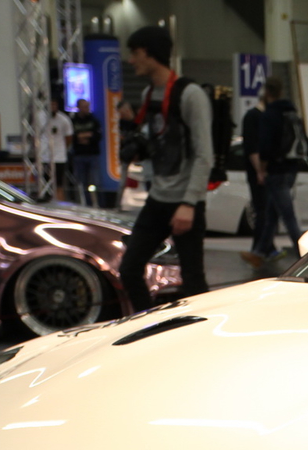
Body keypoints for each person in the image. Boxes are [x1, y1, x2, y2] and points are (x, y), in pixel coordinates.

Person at [118, 24, 213, 312]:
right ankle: (148, 324)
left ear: (149, 53)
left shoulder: (190, 94)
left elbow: (204, 154)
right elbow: (156, 143)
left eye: (135, 53)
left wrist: (189, 203)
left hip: (185, 203)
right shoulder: (150, 93)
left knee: (193, 281)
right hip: (158, 198)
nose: (131, 60)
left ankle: (201, 330)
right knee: (129, 268)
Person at [242, 75, 308, 269]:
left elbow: (265, 147)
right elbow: (307, 145)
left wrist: (261, 171)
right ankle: (258, 253)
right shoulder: (293, 114)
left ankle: (307, 258)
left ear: (267, 93)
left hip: (276, 172)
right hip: (292, 170)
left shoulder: (269, 115)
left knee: (288, 218)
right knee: (271, 214)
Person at [239, 94, 268, 250]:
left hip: (260, 171)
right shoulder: (254, 116)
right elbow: (252, 148)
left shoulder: (256, 116)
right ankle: (260, 248)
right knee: (263, 209)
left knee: (265, 210)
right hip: (259, 172)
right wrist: (259, 171)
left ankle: (264, 247)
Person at [39, 97, 74, 201]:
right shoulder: (39, 117)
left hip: (59, 157)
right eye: (51, 104)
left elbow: (69, 137)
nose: (53, 107)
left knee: (59, 184)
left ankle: (60, 202)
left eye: (55, 104)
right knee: (44, 183)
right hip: (44, 156)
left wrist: (63, 149)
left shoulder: (64, 119)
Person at [69, 98, 103, 206]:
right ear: (79, 107)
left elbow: (98, 136)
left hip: (92, 154)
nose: (86, 109)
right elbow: (73, 137)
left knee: (95, 182)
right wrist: (86, 135)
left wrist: (83, 136)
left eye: (87, 106)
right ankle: (84, 204)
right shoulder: (73, 121)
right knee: (80, 182)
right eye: (84, 107)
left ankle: (99, 204)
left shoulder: (94, 120)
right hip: (79, 155)